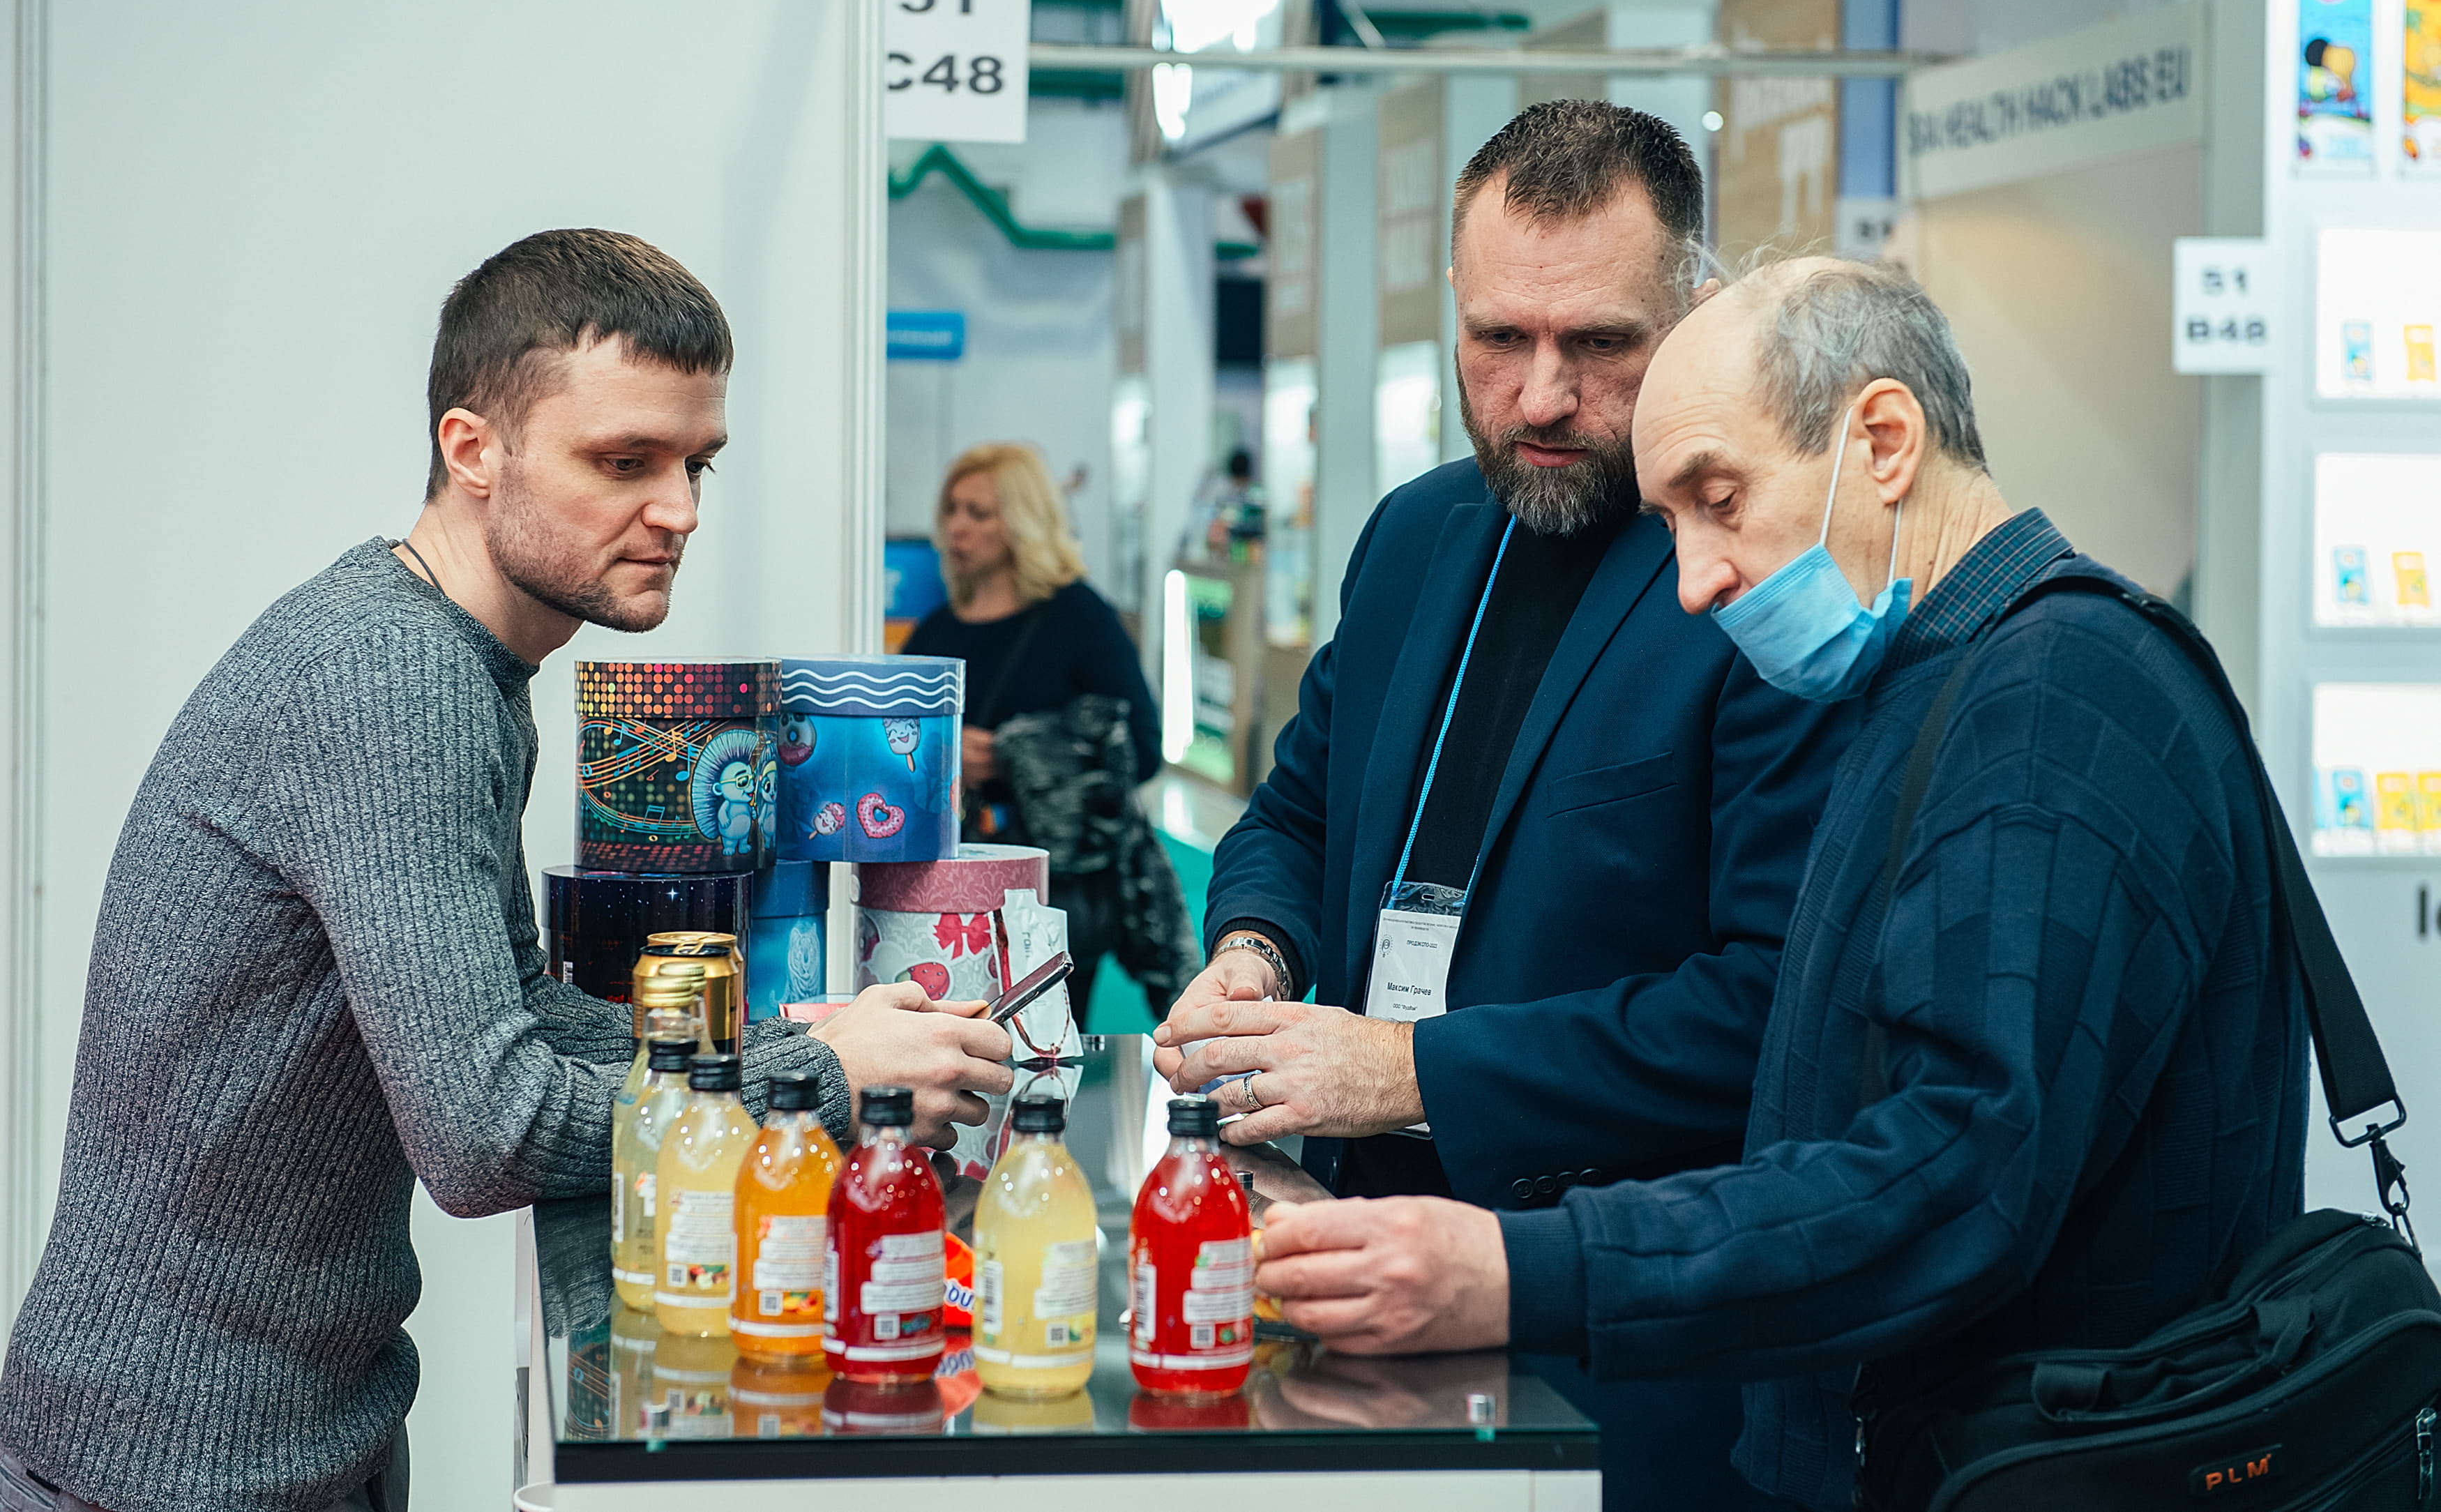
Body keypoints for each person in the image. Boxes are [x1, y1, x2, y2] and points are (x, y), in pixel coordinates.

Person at [1250, 257, 2306, 1512]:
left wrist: (1527, 1270)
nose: (1695, 582)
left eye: (1721, 500)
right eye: (1670, 525)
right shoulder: (1932, 690)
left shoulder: (2052, 705)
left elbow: (1953, 1175)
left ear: (1885, 442)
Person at [0, 230, 1015, 1512]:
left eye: (696, 463)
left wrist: (792, 1038)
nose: (681, 512)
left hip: (285, 1431)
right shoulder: (395, 675)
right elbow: (486, 1134)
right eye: (624, 461)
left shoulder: (463, 658)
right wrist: (818, 1076)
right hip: (175, 1467)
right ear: (473, 449)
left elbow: (521, 1010)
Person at [1155, 100, 1857, 1508]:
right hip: (1350, 1269)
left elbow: (1773, 1007)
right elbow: (1297, 813)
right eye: (1498, 340)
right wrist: (1256, 955)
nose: (1540, 398)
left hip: (1616, 1339)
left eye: (1598, 344)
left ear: (1694, 312)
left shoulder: (1760, 575)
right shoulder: (1416, 533)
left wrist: (1411, 1071)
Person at [902, 441, 1196, 1023]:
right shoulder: (935, 632)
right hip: (948, 889)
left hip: (1056, 891)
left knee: (1045, 1048)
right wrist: (942, 754)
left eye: (979, 513)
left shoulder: (1079, 618)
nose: (957, 527)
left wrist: (1017, 755)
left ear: (1023, 522)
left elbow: (1141, 747)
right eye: (952, 510)